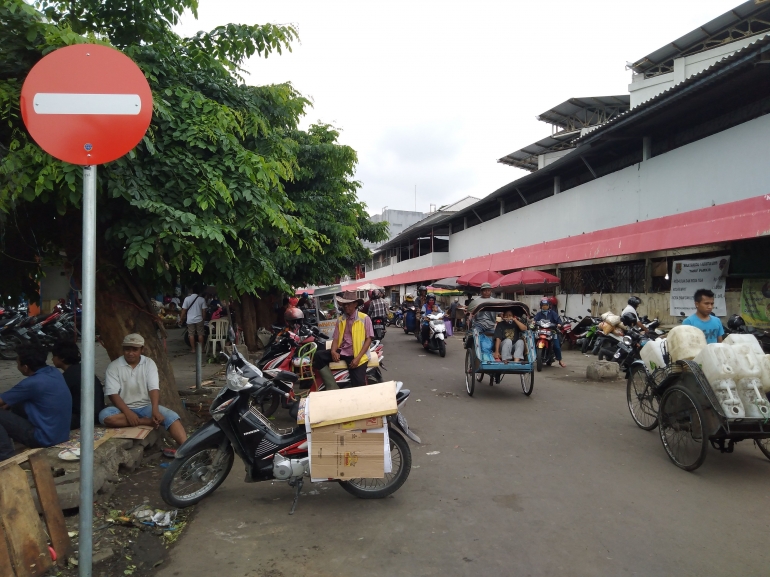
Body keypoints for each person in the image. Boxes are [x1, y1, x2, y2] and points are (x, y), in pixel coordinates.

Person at [99, 334, 187, 448]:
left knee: (172, 417)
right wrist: (128, 412)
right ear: (123, 349)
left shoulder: (149, 363)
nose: (130, 353)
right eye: (127, 349)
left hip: (145, 406)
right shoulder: (114, 366)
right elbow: (112, 394)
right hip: (121, 409)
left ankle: (187, 450)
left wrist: (155, 410)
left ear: (142, 349)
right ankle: (145, 421)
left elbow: (153, 388)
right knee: (105, 416)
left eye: (135, 349)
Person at [0, 344, 72, 461]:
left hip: (43, 438)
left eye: (18, 363)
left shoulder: (31, 383)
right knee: (14, 403)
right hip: (61, 434)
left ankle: (5, 457)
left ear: (25, 367)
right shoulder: (54, 372)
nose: (17, 366)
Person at [312, 292, 374, 388]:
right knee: (318, 355)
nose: (345, 306)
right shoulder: (341, 319)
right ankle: (332, 386)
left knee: (358, 384)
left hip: (358, 355)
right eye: (344, 304)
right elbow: (336, 339)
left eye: (348, 304)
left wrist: (357, 359)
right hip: (343, 351)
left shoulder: (365, 318)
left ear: (355, 304)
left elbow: (369, 339)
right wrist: (333, 351)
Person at [52, 340, 105, 430]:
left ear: (62, 358)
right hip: (96, 413)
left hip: (83, 418)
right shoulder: (83, 369)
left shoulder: (68, 376)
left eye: (54, 356)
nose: (52, 359)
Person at [533, 298, 566, 367]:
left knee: (556, 346)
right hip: (541, 331)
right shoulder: (539, 314)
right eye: (543, 305)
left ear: (549, 306)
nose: (545, 306)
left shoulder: (553, 313)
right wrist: (533, 322)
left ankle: (560, 360)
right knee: (533, 341)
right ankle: (533, 357)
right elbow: (535, 320)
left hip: (552, 332)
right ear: (541, 306)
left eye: (546, 305)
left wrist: (559, 324)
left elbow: (558, 321)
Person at [181, 286, 208, 354]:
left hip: (190, 320)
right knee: (200, 334)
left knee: (191, 334)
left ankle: (193, 349)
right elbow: (204, 311)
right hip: (199, 319)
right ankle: (202, 349)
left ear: (192, 291)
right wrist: (203, 319)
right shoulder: (202, 299)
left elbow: (184, 310)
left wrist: (181, 319)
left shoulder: (187, 299)